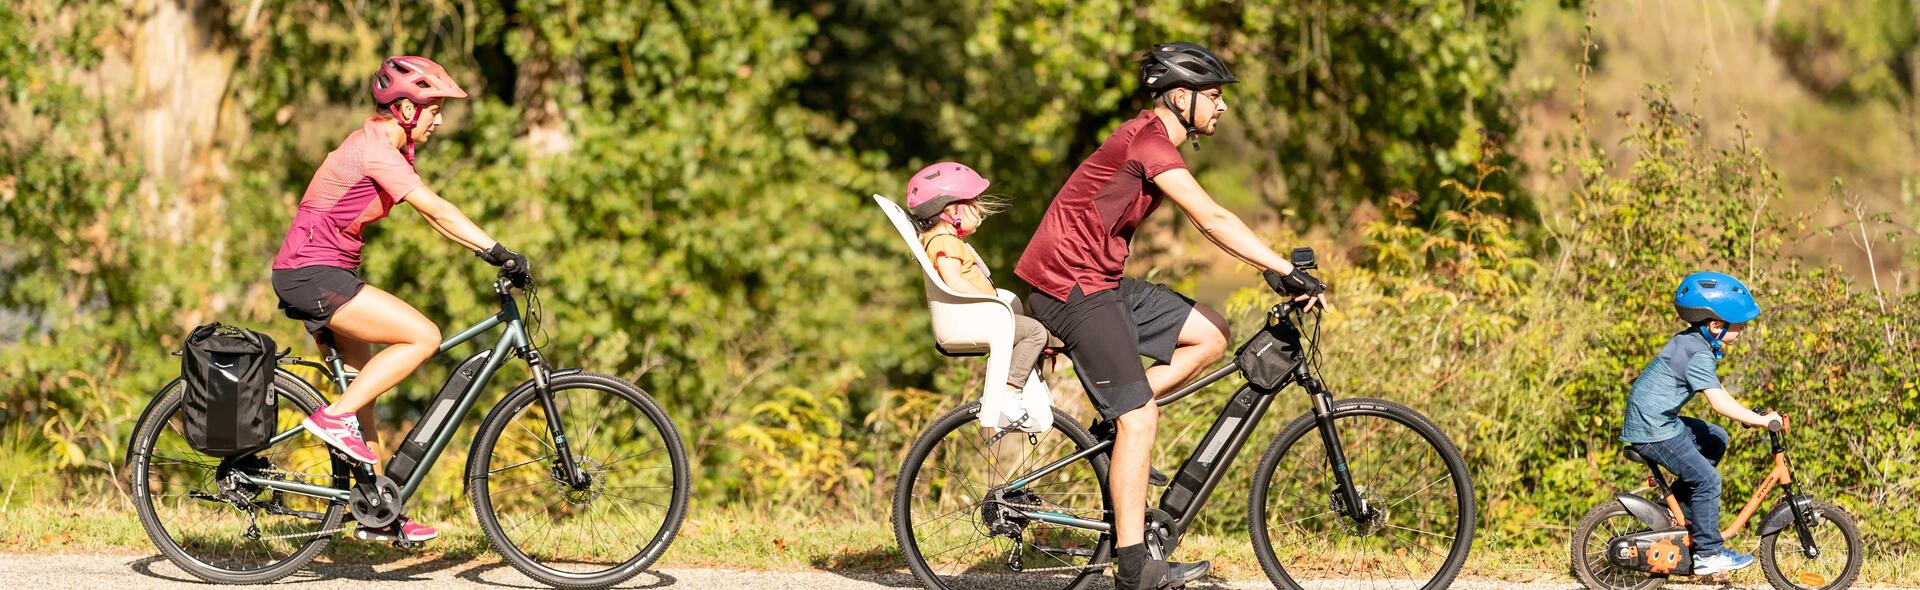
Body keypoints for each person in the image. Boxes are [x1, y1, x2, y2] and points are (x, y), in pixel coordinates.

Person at [1014, 42, 1325, 590]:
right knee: (1142, 418)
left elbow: (1211, 220)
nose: (1222, 106)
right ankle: (1134, 567)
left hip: (1101, 280)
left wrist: (1273, 269)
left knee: (1210, 335)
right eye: (1214, 96)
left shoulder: (1152, 137)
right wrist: (1280, 268)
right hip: (1071, 287)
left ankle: (1113, 422)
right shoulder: (1148, 142)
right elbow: (1210, 216)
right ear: (1180, 98)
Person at [269, 56, 530, 543]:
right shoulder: (376, 150)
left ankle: (379, 506)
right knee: (423, 336)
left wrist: (484, 251)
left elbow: (432, 218)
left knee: (365, 392)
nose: (440, 118)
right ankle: (333, 417)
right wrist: (498, 251)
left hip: (322, 272)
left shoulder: (390, 149)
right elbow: (437, 207)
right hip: (312, 274)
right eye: (434, 108)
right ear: (406, 107)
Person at [1621, 271, 1779, 575]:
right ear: (1716, 325)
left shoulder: (1694, 341)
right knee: (1708, 481)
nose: (1743, 331)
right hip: (1653, 429)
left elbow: (1718, 392)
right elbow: (1718, 403)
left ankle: (1674, 510)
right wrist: (1761, 421)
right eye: (1740, 326)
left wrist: (1750, 414)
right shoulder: (1698, 354)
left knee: (1715, 438)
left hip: (1656, 419)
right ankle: (1708, 553)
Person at [906, 162, 1046, 429]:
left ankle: (1014, 391)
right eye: (975, 204)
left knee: (1031, 331)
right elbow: (954, 280)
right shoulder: (944, 242)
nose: (981, 211)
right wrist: (992, 303)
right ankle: (1008, 393)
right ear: (951, 210)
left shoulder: (942, 240)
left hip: (980, 317)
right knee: (1034, 333)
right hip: (976, 319)